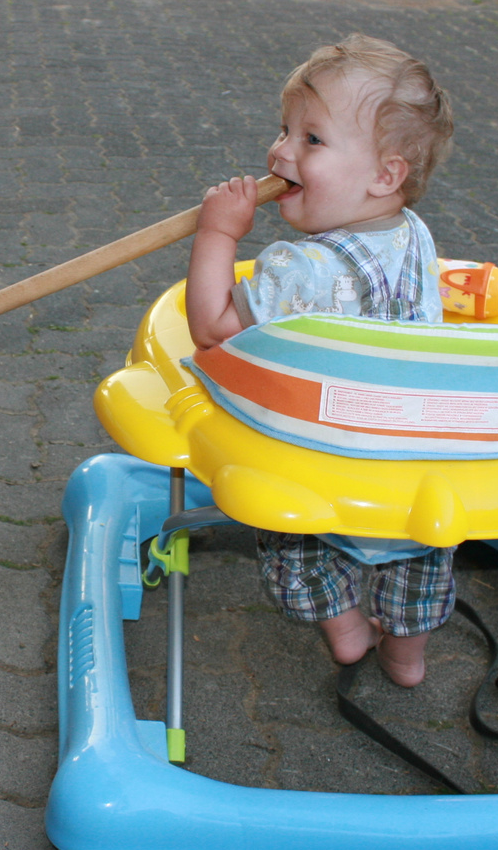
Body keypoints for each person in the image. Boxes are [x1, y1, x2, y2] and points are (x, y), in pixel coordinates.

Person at [185, 34, 455, 687]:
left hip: (327, 460)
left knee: (291, 531)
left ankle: (345, 630)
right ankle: (407, 654)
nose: (279, 152)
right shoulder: (414, 236)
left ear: (384, 175)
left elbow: (211, 327)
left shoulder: (297, 270)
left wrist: (218, 232)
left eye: (312, 140)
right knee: (416, 555)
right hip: (418, 459)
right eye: (285, 131)